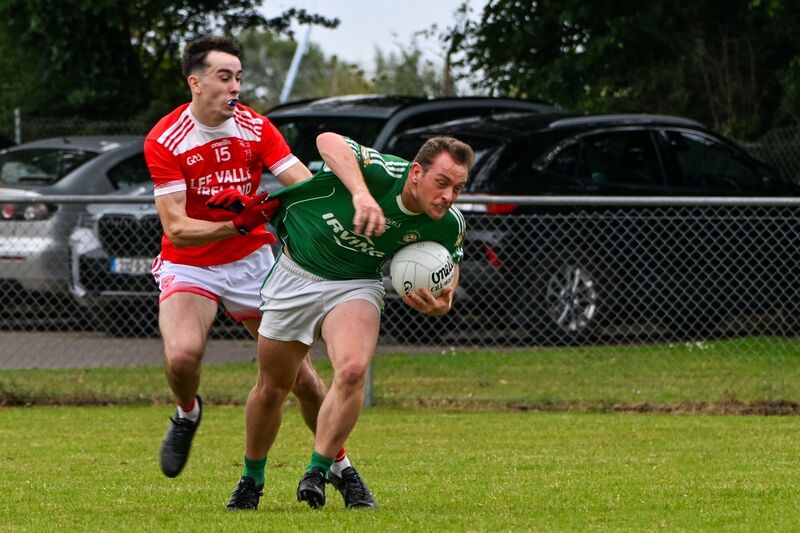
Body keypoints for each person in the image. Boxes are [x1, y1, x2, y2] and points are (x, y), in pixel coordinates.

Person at [143, 35, 372, 506]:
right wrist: (236, 222)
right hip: (191, 264)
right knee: (183, 356)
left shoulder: (255, 127)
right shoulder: (165, 139)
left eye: (239, 78)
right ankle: (187, 413)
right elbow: (177, 230)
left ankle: (340, 467)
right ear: (196, 82)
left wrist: (348, 207)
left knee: (303, 381)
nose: (235, 87)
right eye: (224, 77)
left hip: (252, 263)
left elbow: (303, 186)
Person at [222, 132, 473, 510]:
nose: (448, 196)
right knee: (272, 389)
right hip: (297, 273)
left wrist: (444, 298)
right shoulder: (383, 174)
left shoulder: (448, 223)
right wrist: (360, 193)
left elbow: (449, 263)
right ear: (416, 173)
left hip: (356, 283)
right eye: (442, 183)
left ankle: (318, 469)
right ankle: (252, 479)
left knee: (353, 371)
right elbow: (326, 140)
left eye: (458, 188)